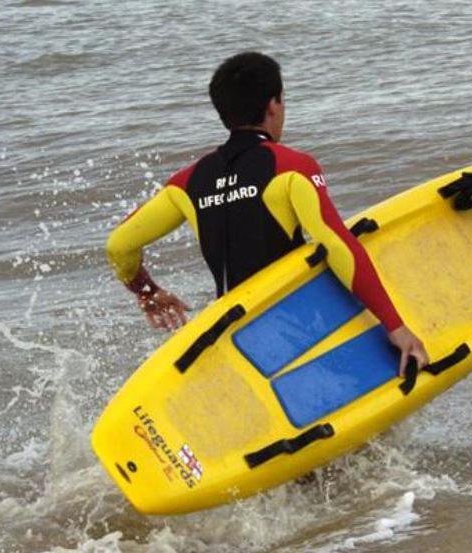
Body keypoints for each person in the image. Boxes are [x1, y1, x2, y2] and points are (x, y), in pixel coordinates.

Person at [106, 52, 428, 375]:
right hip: (303, 335)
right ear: (273, 105)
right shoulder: (291, 167)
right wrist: (395, 326)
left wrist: (146, 291)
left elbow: (118, 246)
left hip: (237, 342)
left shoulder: (188, 182)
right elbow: (337, 244)